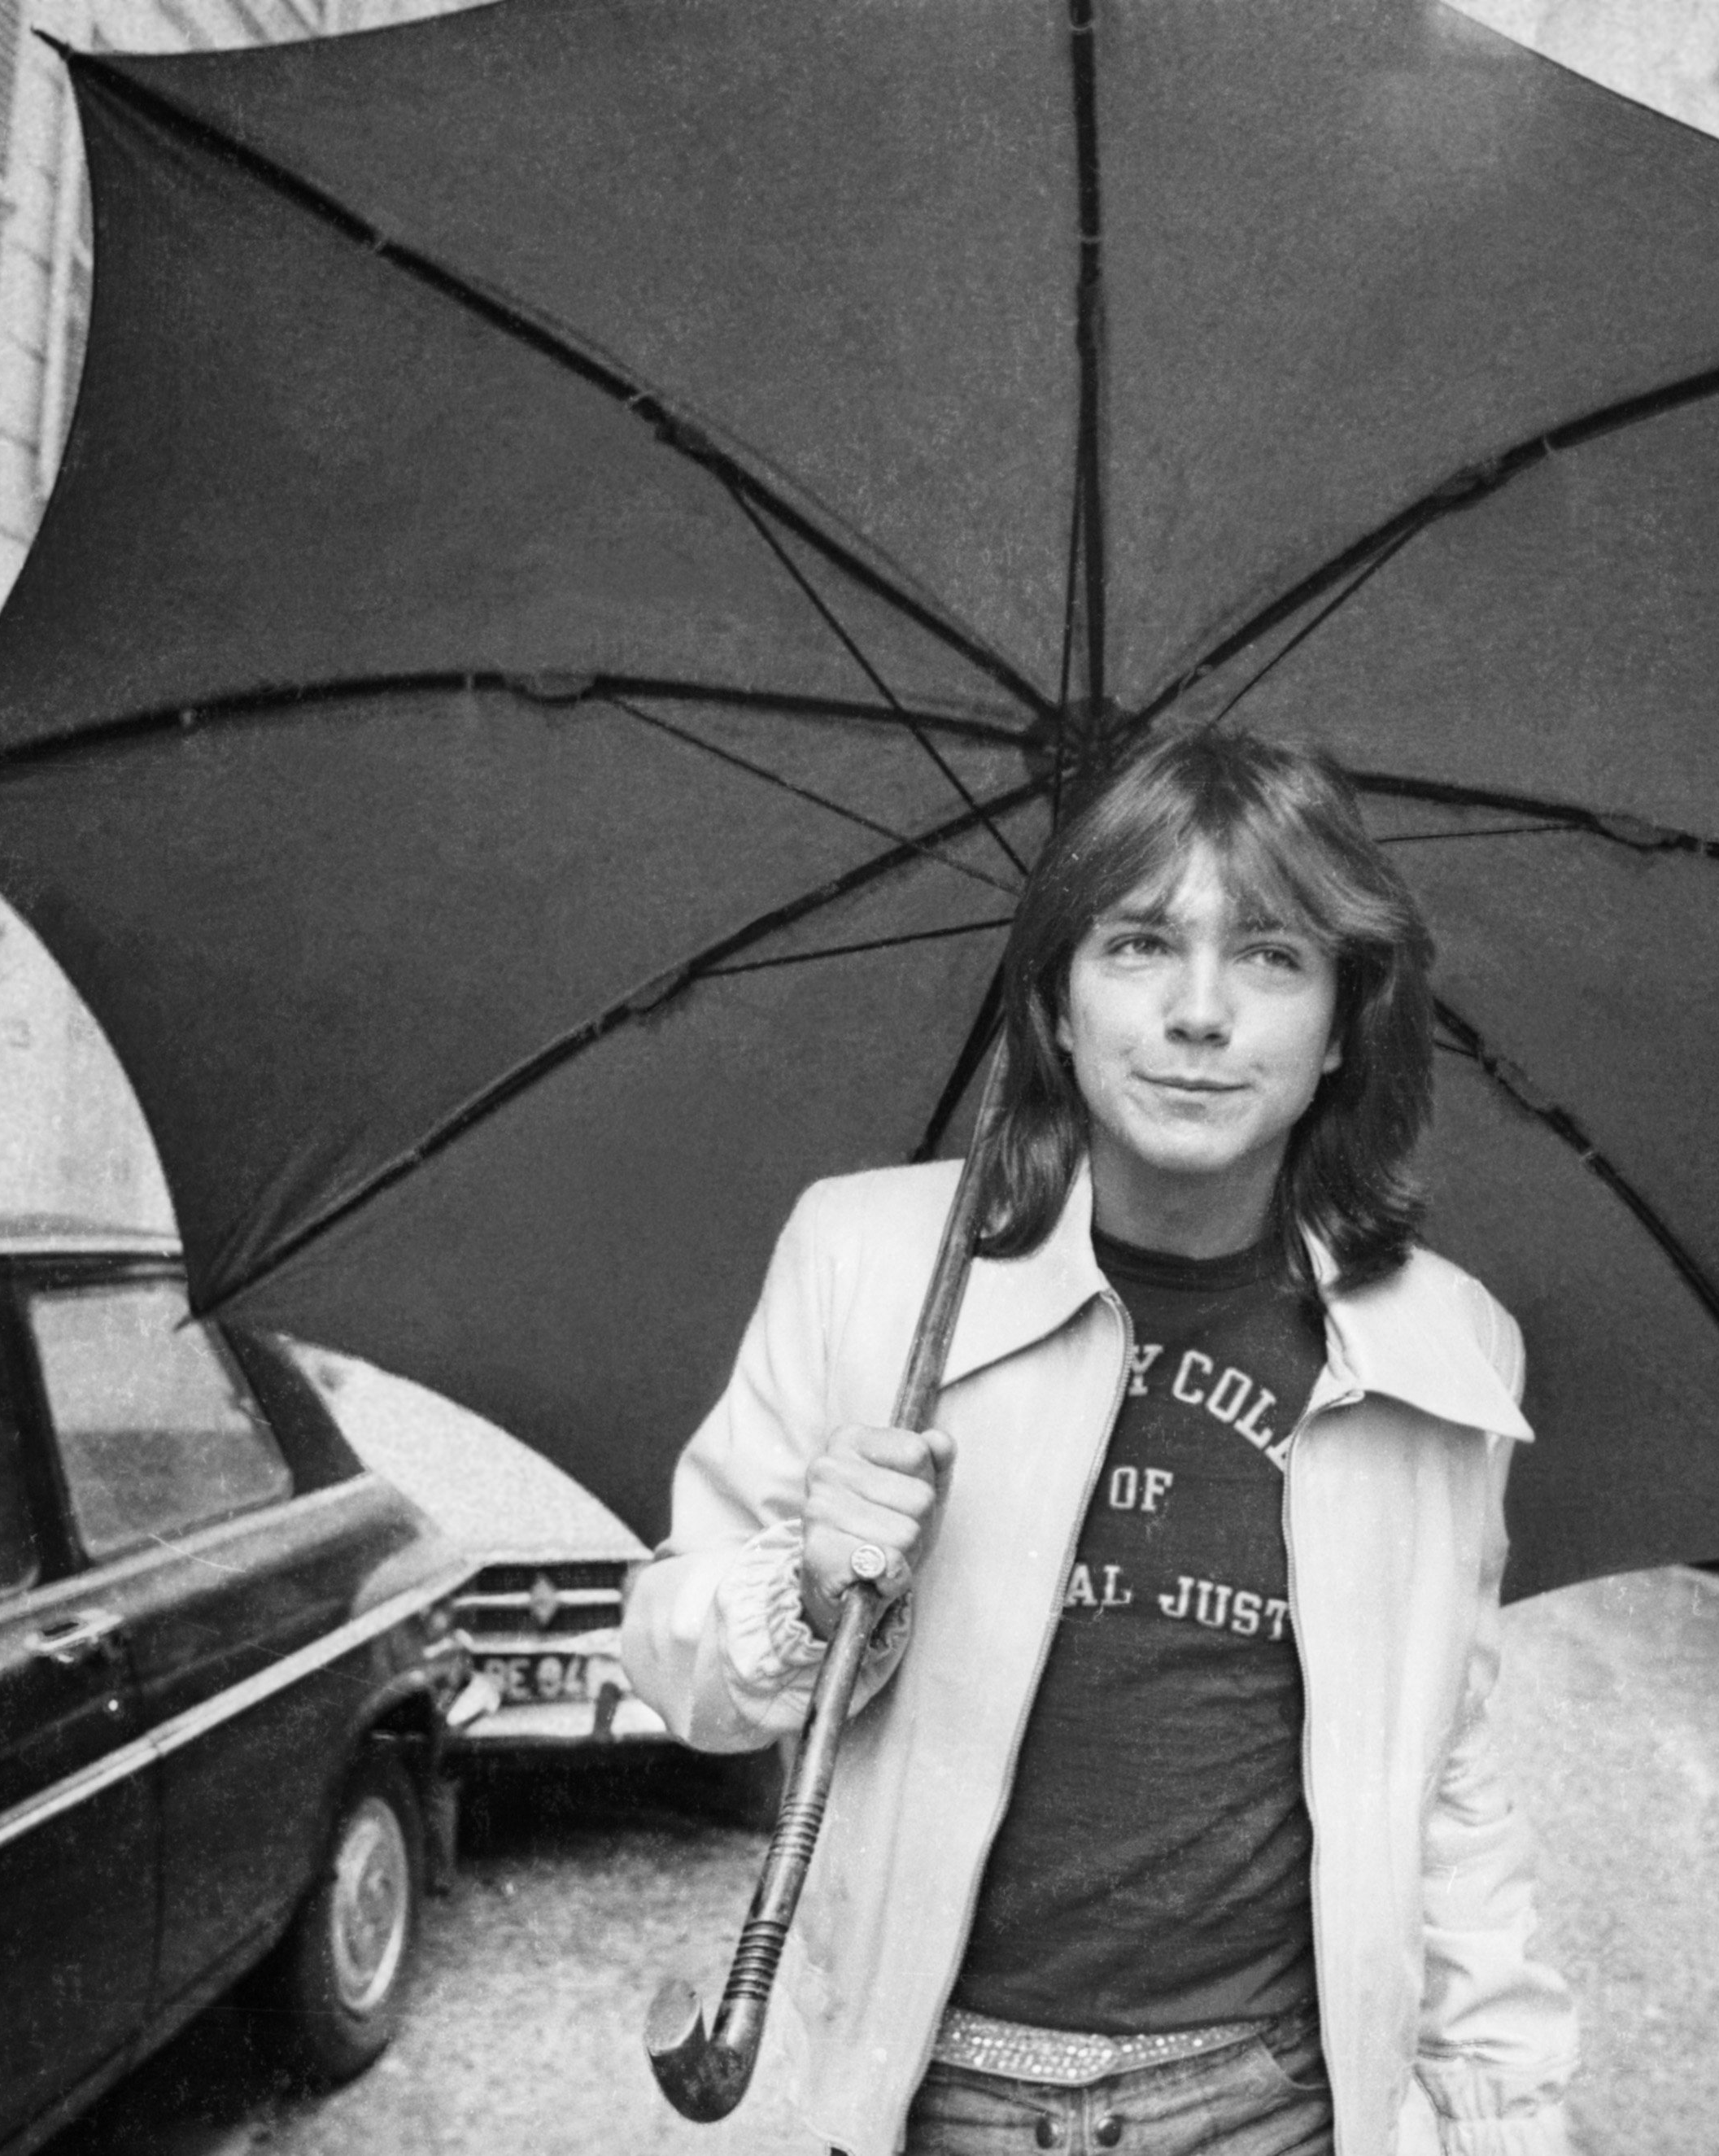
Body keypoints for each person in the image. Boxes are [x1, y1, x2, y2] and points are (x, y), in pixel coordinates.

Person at [622, 729, 1579, 2156]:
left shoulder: (1442, 1348)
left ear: (1338, 1027)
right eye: (1137, 944)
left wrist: (1505, 2116)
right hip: (937, 2096)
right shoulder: (871, 1265)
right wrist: (806, 1590)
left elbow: (1443, 1781)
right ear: (1058, 1004)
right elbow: (673, 1662)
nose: (1200, 1013)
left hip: (1269, 2103)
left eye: (1269, 956)